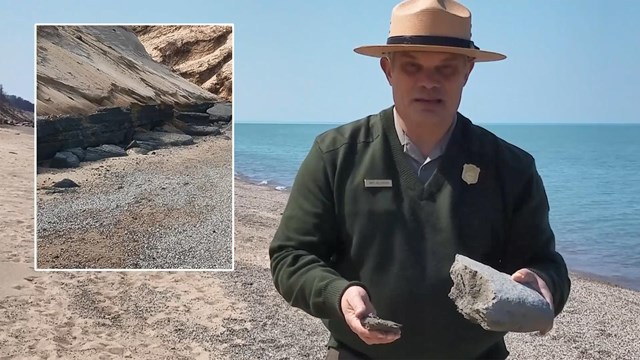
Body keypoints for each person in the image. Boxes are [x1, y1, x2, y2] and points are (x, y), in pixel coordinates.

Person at [269, 0, 571, 358]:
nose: (429, 82)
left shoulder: (511, 167)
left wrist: (543, 285)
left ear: (468, 71)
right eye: (412, 66)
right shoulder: (336, 154)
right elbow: (292, 256)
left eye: (445, 68)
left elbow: (545, 263)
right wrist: (338, 294)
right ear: (388, 70)